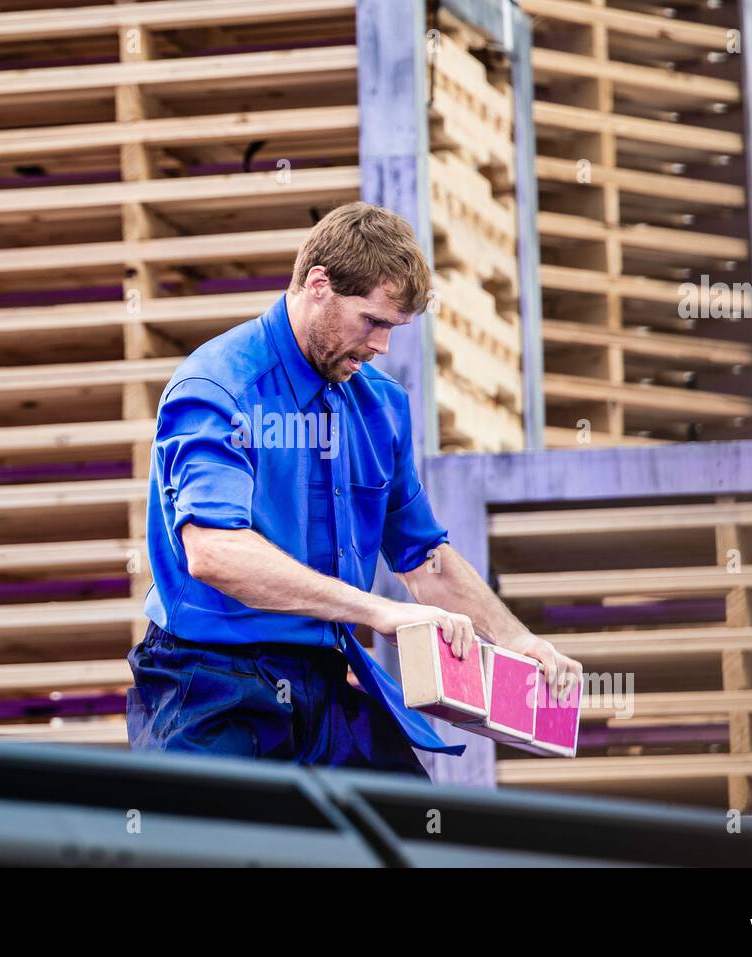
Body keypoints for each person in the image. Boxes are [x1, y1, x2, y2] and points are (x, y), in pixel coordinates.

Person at [126, 201, 582, 778]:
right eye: (373, 321)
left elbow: (425, 559)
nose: (382, 346)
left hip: (322, 673)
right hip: (206, 682)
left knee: (414, 837)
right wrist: (383, 613)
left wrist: (519, 642)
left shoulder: (381, 406)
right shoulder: (218, 385)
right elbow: (215, 552)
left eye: (394, 328)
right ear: (318, 285)